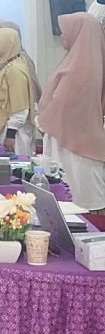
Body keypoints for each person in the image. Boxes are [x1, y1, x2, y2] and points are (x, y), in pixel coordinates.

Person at [37, 12, 105, 212]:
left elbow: (63, 105)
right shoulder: (79, 60)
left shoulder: (81, 66)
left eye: (65, 31)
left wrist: (41, 120)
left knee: (76, 202)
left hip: (74, 144)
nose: (61, 37)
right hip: (67, 138)